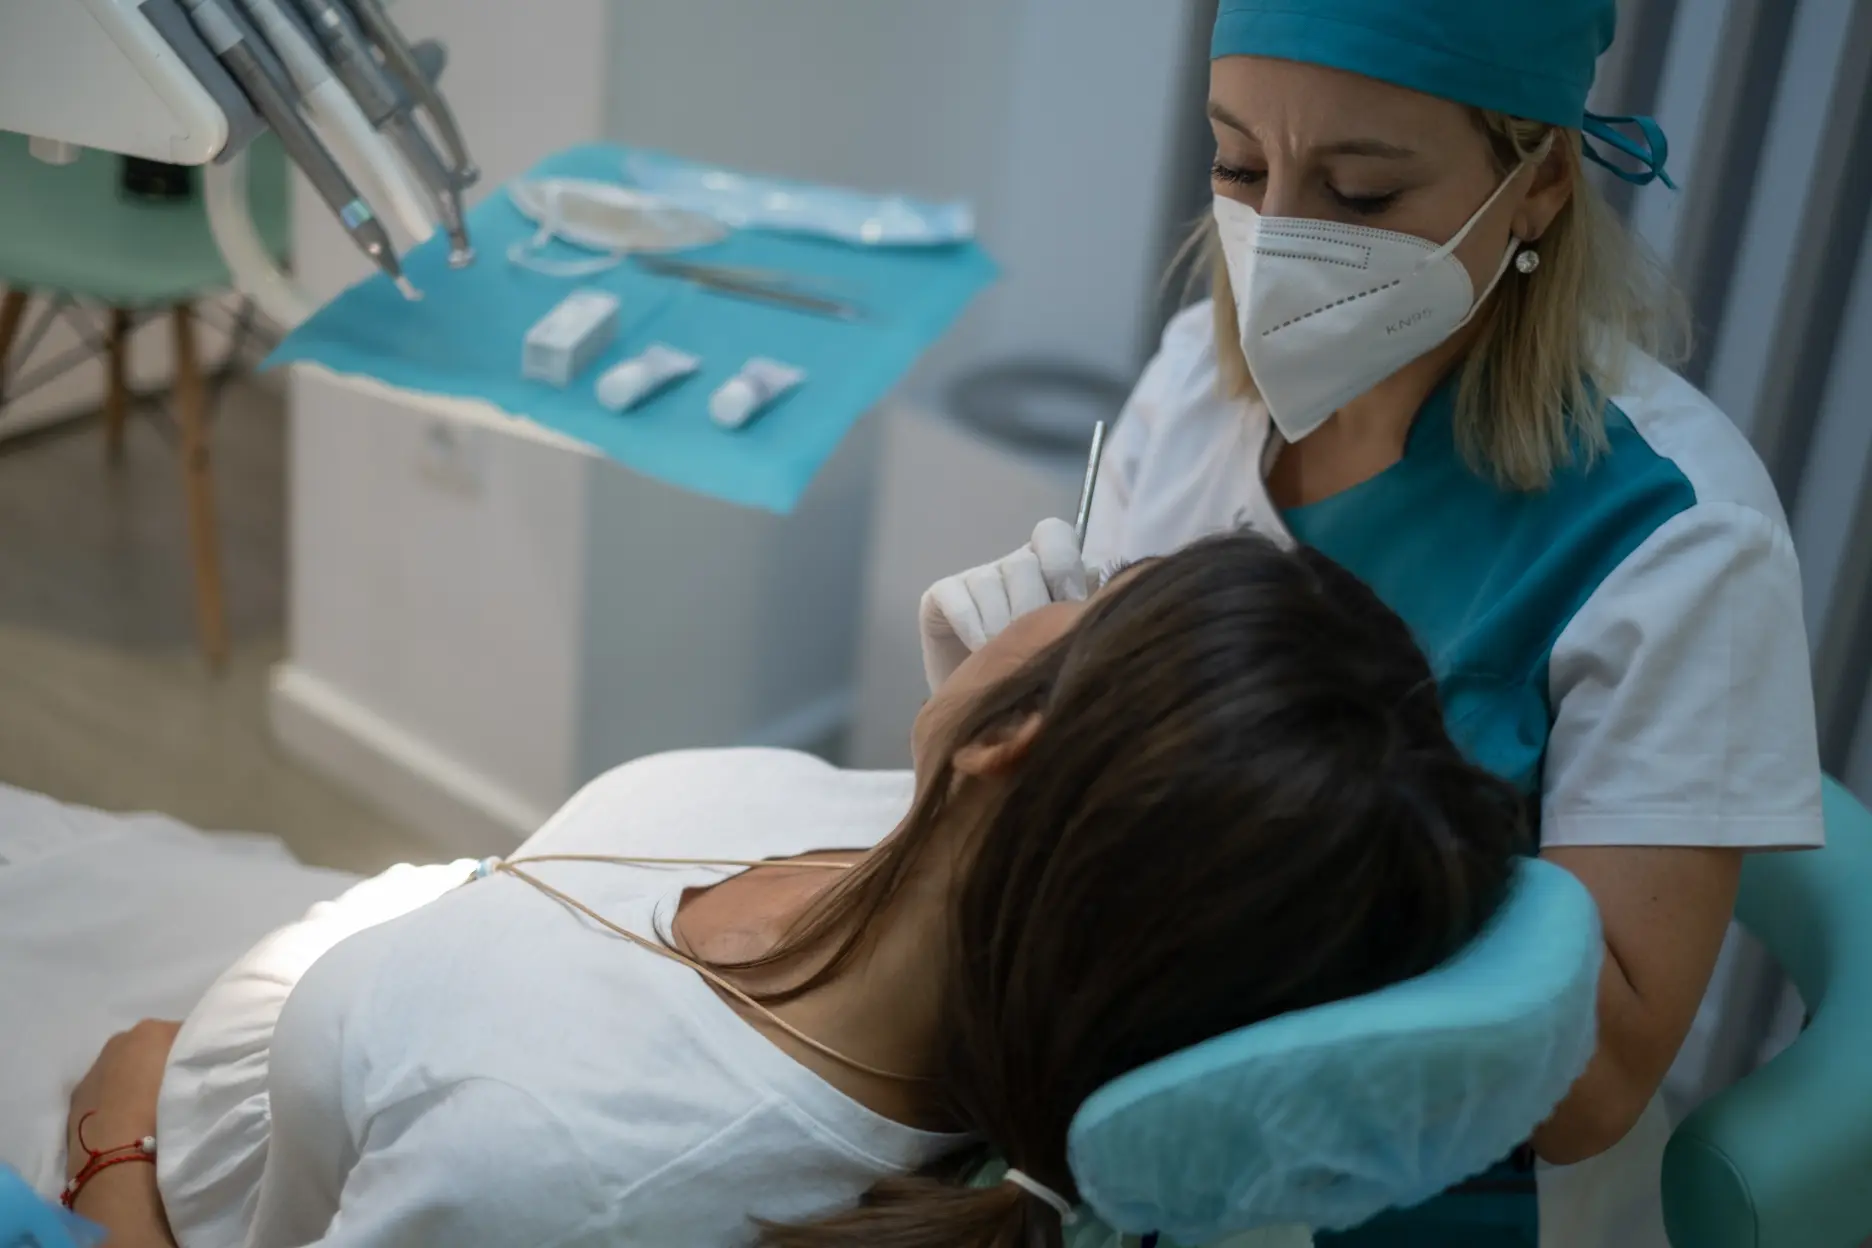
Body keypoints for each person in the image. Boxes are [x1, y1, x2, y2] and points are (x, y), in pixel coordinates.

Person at [919, 1, 1825, 1243]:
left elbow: (1596, 1091)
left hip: (1444, 1194)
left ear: (1540, 186)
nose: (1277, 237)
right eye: (1239, 165)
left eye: (1358, 192)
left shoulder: (1676, 536)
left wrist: (1276, 818)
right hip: (1109, 1089)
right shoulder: (1196, 375)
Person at [3, 532, 1524, 1248]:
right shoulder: (909, 837)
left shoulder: (582, 1185)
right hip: (311, 1003)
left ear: (1023, 743)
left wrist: (116, 1147)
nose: (1047, 579)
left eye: (1098, 586)